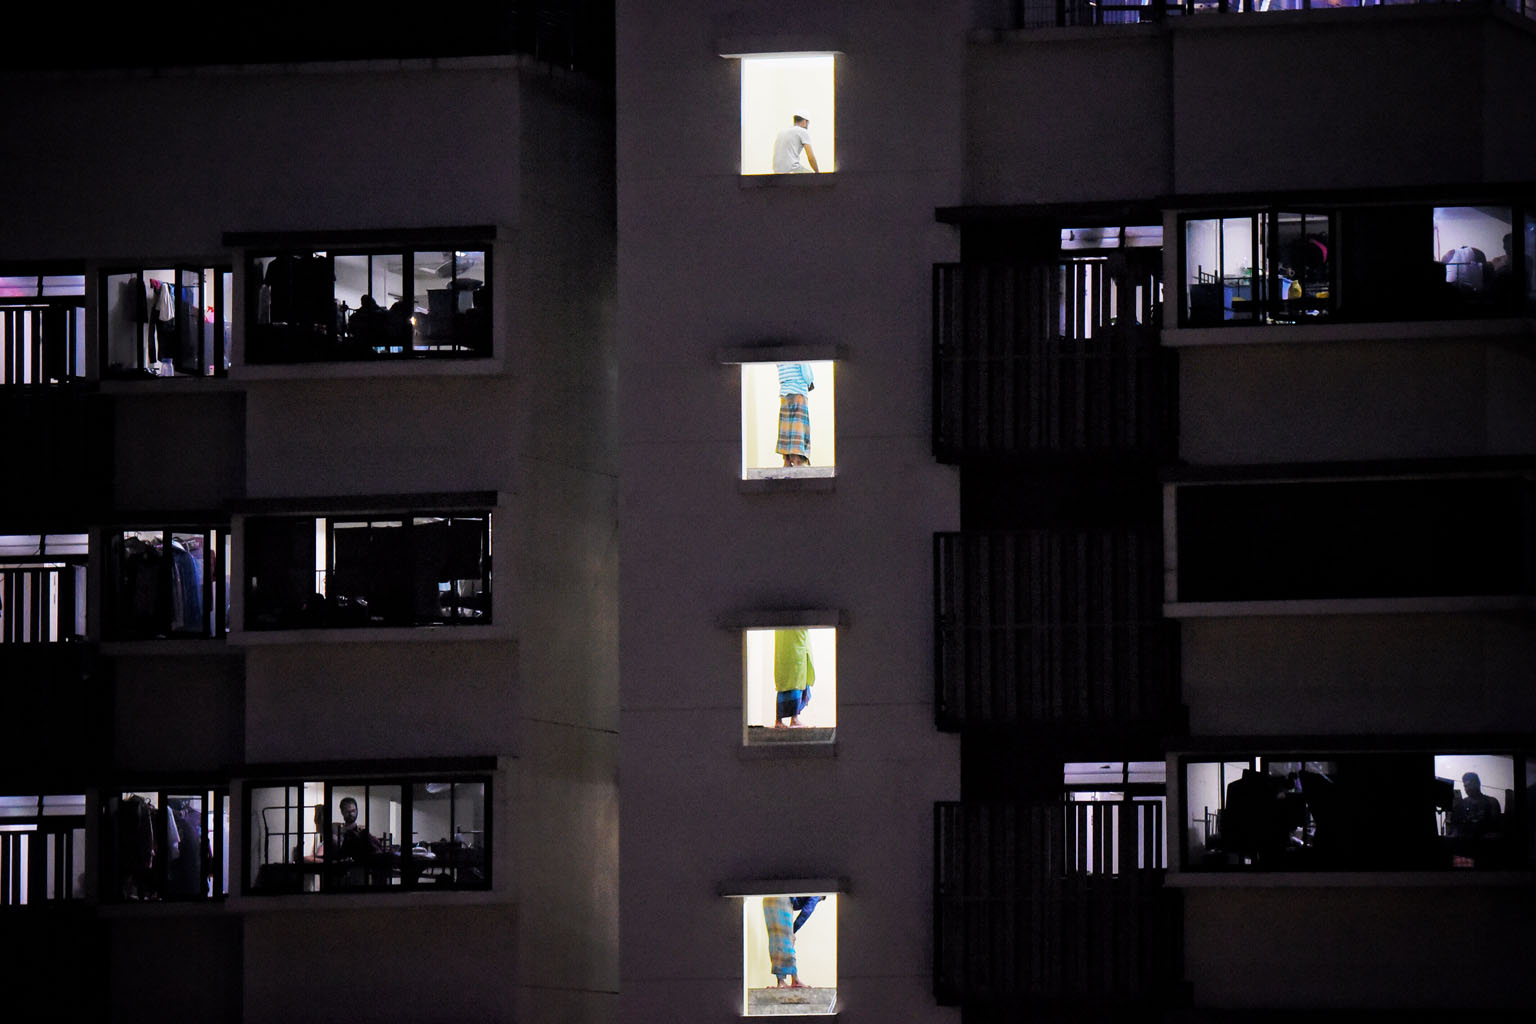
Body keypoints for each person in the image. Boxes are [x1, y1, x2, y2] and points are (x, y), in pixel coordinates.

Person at [773, 627, 815, 728]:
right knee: (795, 681)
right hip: (795, 646)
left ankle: (781, 720)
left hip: (790, 645)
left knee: (788, 681)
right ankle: (793, 719)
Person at [775, 362, 814, 467]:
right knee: (799, 427)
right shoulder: (800, 352)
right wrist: (810, 382)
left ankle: (787, 460)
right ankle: (798, 460)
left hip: (785, 391)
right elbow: (807, 375)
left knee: (786, 428)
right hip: (799, 390)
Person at [763, 896, 807, 988]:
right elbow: (806, 912)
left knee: (775, 941)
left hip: (768, 900)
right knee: (787, 942)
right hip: (782, 900)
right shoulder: (816, 895)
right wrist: (792, 931)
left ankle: (780, 981)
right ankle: (795, 979)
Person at [1447, 772, 1502, 841]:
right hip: (1464, 844)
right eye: (1465, 786)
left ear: (1478, 784)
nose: (1467, 788)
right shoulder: (1461, 804)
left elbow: (1496, 828)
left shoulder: (1492, 802)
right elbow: (1454, 828)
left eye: (1470, 785)